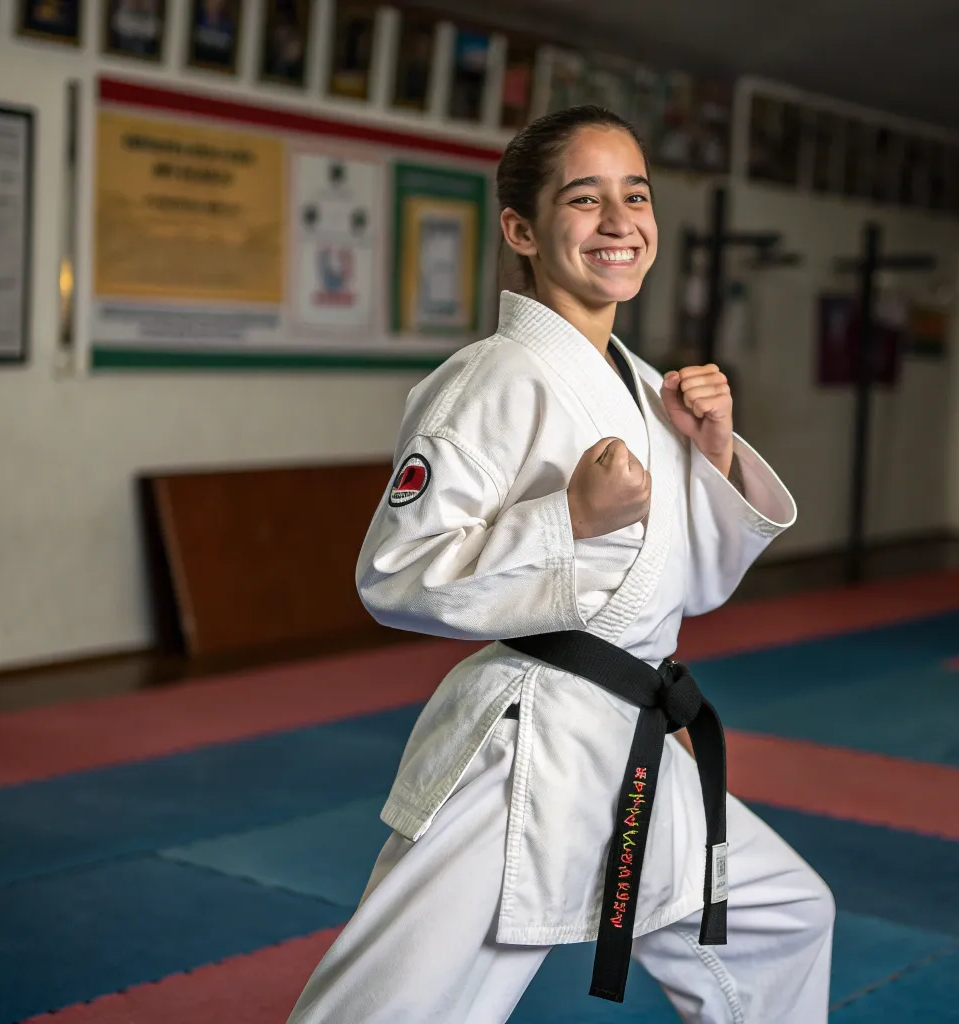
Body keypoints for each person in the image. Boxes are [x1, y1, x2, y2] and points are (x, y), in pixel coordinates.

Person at [287, 105, 835, 1024]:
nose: (619, 221)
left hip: (631, 733)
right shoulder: (490, 379)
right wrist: (568, 519)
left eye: (636, 195)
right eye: (585, 198)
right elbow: (394, 572)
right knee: (389, 1009)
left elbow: (691, 586)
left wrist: (713, 454)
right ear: (522, 230)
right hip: (526, 753)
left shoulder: (643, 383)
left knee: (782, 920)